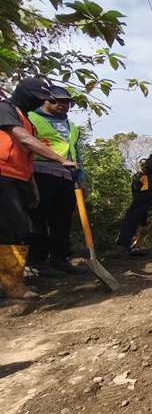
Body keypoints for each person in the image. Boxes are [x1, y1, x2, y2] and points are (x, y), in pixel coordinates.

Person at [0, 77, 78, 300]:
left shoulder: (28, 120)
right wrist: (60, 160)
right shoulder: (6, 108)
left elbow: (27, 155)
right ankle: (12, 285)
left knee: (15, 228)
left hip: (18, 177)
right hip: (3, 174)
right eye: (39, 98)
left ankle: (8, 282)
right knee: (14, 228)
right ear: (24, 94)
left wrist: (31, 186)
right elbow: (23, 140)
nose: (40, 102)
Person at [26, 86, 84, 276]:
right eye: (57, 100)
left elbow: (76, 153)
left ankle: (60, 259)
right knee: (38, 218)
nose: (63, 105)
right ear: (45, 100)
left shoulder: (72, 126)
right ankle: (37, 261)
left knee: (62, 220)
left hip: (67, 177)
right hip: (40, 172)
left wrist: (81, 179)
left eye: (67, 102)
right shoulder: (31, 118)